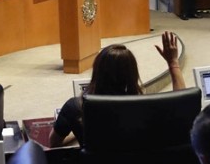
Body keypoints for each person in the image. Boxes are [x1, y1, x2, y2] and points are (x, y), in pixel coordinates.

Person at [48, 32, 185, 147]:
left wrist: (77, 127)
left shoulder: (76, 108)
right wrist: (173, 63)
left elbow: (53, 143)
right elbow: (182, 105)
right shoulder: (146, 106)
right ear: (133, 74)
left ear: (97, 71)